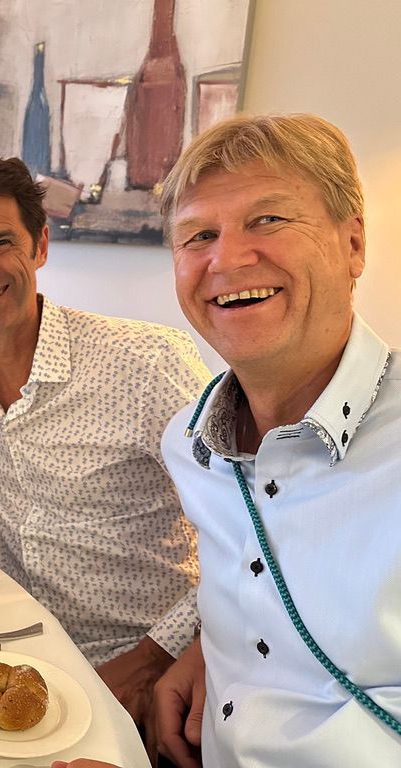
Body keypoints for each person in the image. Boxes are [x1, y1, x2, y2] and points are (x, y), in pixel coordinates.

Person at [0, 157, 211, 730]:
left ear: (41, 246)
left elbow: (251, 532)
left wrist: (152, 660)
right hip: (22, 648)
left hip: (148, 659)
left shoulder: (144, 362)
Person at [152, 114, 401, 766]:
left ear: (352, 244)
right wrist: (208, 648)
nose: (227, 259)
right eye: (198, 235)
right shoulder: (190, 445)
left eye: (269, 221)